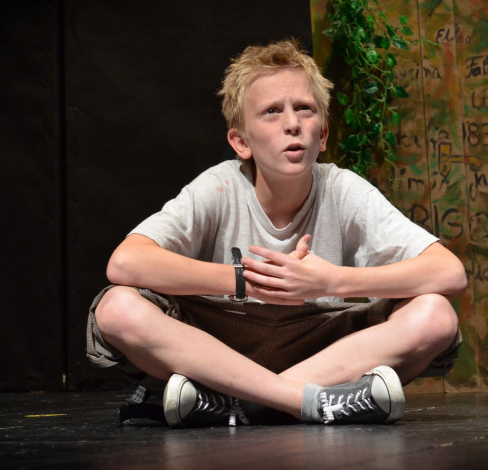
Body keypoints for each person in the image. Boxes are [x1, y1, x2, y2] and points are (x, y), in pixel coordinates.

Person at [86, 39, 466, 427]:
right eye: (271, 111)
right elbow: (125, 262)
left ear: (322, 136)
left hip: (320, 346)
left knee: (436, 315)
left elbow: (449, 272)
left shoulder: (342, 189)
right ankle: (301, 401)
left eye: (304, 109)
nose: (292, 123)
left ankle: (230, 403)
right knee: (117, 308)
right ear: (241, 142)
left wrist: (331, 280)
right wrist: (245, 280)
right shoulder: (220, 186)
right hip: (222, 345)